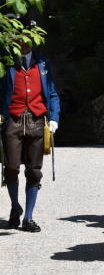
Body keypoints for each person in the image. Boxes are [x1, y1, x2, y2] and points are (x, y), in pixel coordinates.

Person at [1, 19, 60, 232]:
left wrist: (54, 118)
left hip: (36, 121)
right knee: (11, 168)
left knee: (34, 171)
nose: (23, 41)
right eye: (19, 36)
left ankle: (28, 216)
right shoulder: (6, 63)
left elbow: (52, 92)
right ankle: (15, 207)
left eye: (27, 36)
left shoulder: (43, 64)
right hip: (13, 121)